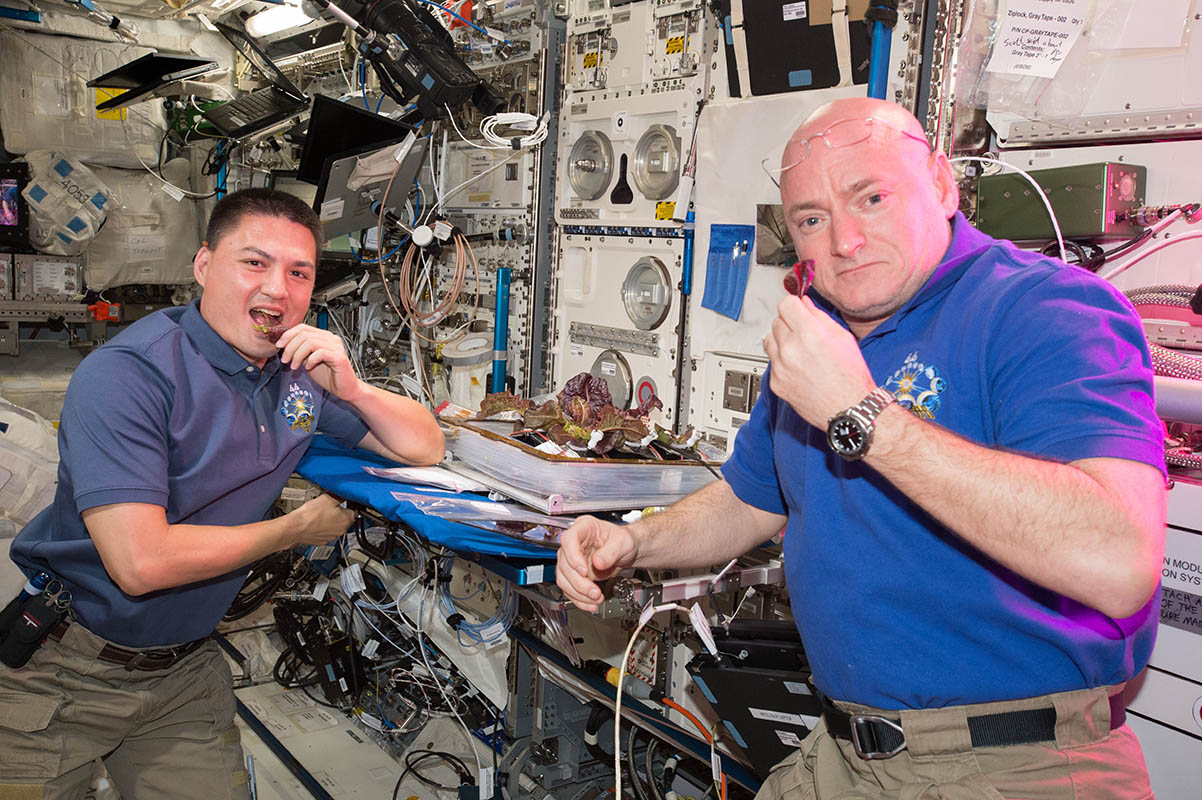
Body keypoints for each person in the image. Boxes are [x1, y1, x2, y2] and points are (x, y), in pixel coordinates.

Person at [556, 97, 1166, 798]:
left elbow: (1117, 560)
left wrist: (857, 410)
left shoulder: (1043, 311)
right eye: (812, 219)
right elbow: (754, 500)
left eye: (871, 197)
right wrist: (634, 544)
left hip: (1010, 762)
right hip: (846, 750)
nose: (844, 240)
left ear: (941, 184)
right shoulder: (823, 332)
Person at [0, 188, 445, 799]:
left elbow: (425, 447)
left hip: (181, 670)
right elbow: (140, 564)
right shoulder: (129, 375)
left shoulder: (297, 377)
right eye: (254, 263)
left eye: (298, 273)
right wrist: (295, 529)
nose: (277, 289)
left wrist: (355, 389)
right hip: (68, 668)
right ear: (204, 266)